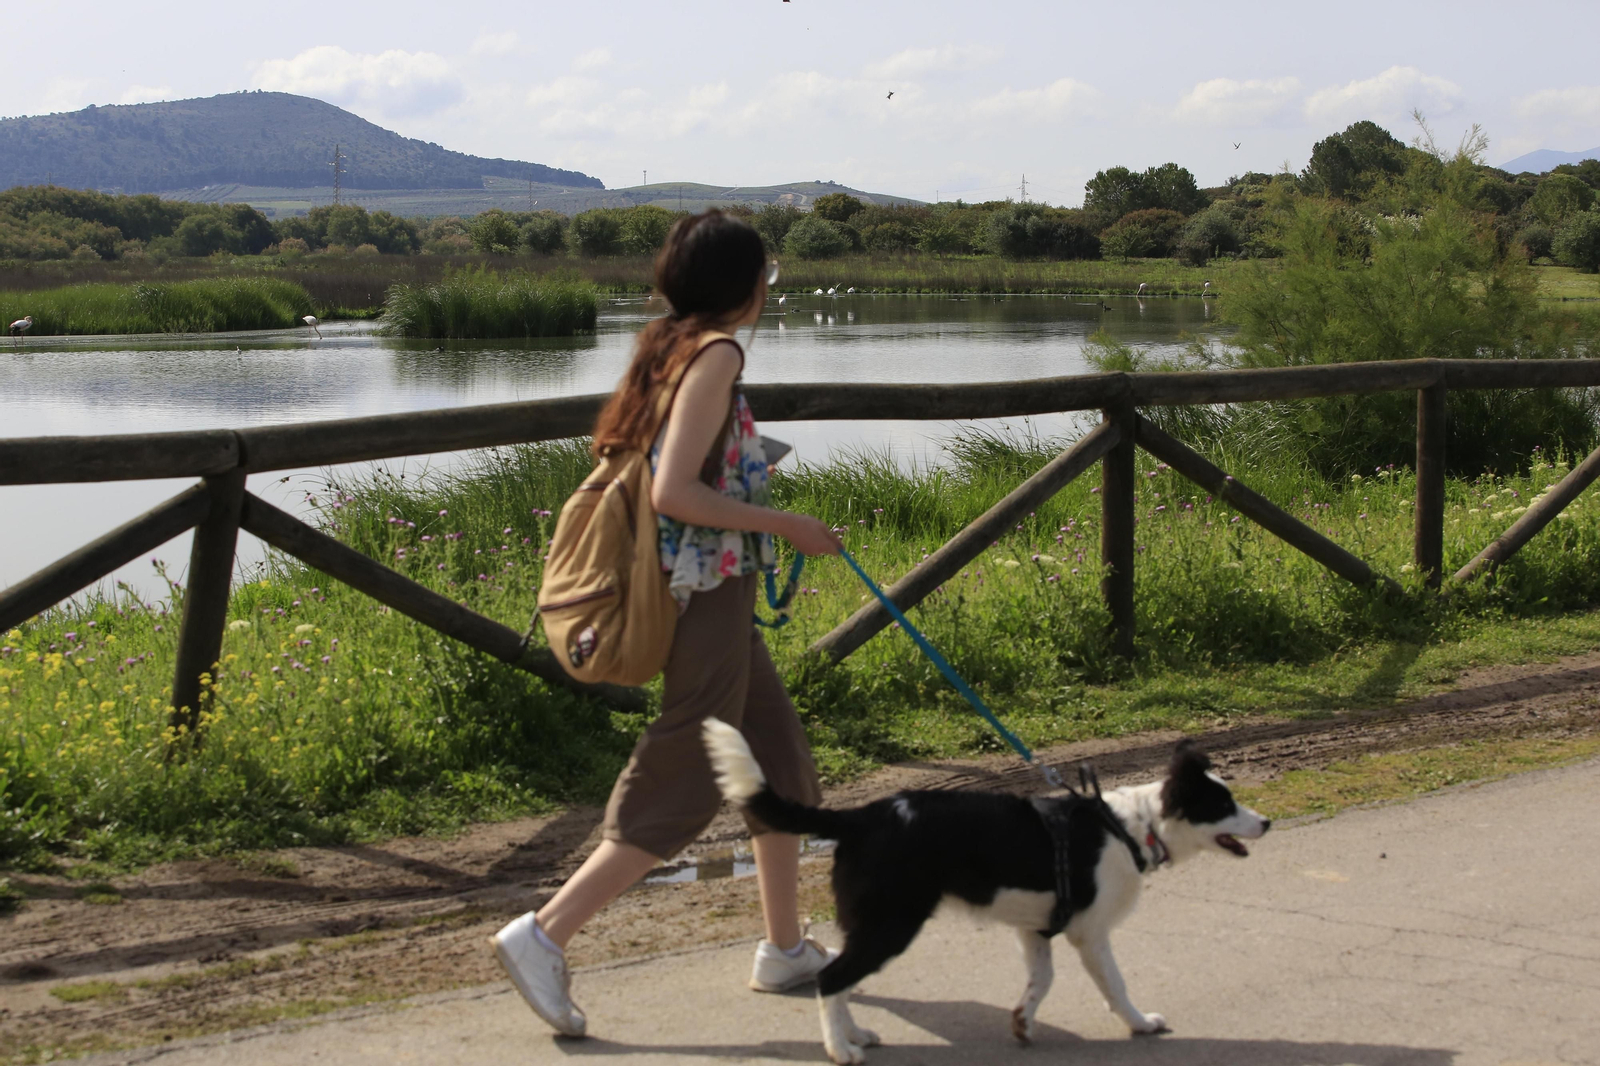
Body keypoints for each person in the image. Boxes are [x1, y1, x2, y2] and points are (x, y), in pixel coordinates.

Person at [491, 210, 843, 1038]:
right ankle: (544, 933)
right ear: (747, 285)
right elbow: (673, 492)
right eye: (767, 274)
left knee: (781, 766)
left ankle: (785, 948)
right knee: (689, 764)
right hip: (703, 594)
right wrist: (784, 523)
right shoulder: (718, 353)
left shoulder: (670, 344)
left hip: (708, 588)